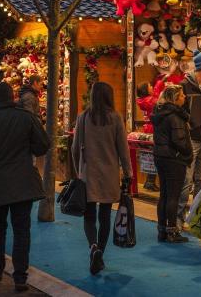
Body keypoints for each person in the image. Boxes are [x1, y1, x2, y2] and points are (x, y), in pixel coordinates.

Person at [0, 82, 49, 292]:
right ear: (13, 96)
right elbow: (43, 145)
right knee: (21, 230)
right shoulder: (26, 118)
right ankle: (20, 276)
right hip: (22, 182)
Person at [71, 82, 132, 276]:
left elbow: (74, 148)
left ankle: (93, 247)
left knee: (88, 216)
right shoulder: (116, 118)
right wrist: (128, 173)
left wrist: (78, 170)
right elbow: (123, 150)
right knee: (105, 216)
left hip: (88, 174)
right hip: (109, 174)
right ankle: (101, 254)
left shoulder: (83, 117)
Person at [177, 51, 201, 227]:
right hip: (191, 139)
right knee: (186, 180)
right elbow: (179, 109)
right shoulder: (184, 85)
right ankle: (178, 219)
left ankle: (195, 219)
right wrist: (189, 124)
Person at [151, 84, 192, 243]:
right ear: (175, 99)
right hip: (174, 159)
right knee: (173, 196)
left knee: (164, 194)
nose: (184, 97)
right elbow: (179, 140)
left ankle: (162, 230)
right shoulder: (175, 116)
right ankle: (172, 231)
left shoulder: (160, 112)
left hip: (160, 157)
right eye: (181, 95)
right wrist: (187, 154)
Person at [137, 81, 162, 192]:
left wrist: (160, 82)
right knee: (153, 156)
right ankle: (150, 182)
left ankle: (149, 181)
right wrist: (160, 84)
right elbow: (159, 101)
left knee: (149, 156)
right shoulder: (150, 100)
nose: (152, 87)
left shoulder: (144, 100)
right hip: (153, 130)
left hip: (148, 129)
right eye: (150, 86)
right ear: (146, 90)